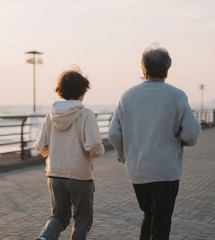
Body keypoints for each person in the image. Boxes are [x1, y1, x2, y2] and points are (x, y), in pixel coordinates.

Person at [108, 45, 201, 240]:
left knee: (148, 215)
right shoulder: (177, 96)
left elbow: (113, 135)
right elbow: (191, 135)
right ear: (167, 70)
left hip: (138, 170)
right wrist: (178, 140)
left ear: (143, 69)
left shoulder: (127, 96)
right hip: (166, 170)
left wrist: (123, 156)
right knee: (161, 220)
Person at [34, 68, 105, 240]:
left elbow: (40, 145)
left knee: (59, 216)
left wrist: (51, 154)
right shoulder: (86, 114)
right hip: (80, 175)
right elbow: (94, 145)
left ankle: (44, 239)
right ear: (82, 92)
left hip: (54, 174)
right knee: (82, 218)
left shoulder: (50, 115)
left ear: (61, 91)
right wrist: (98, 152)